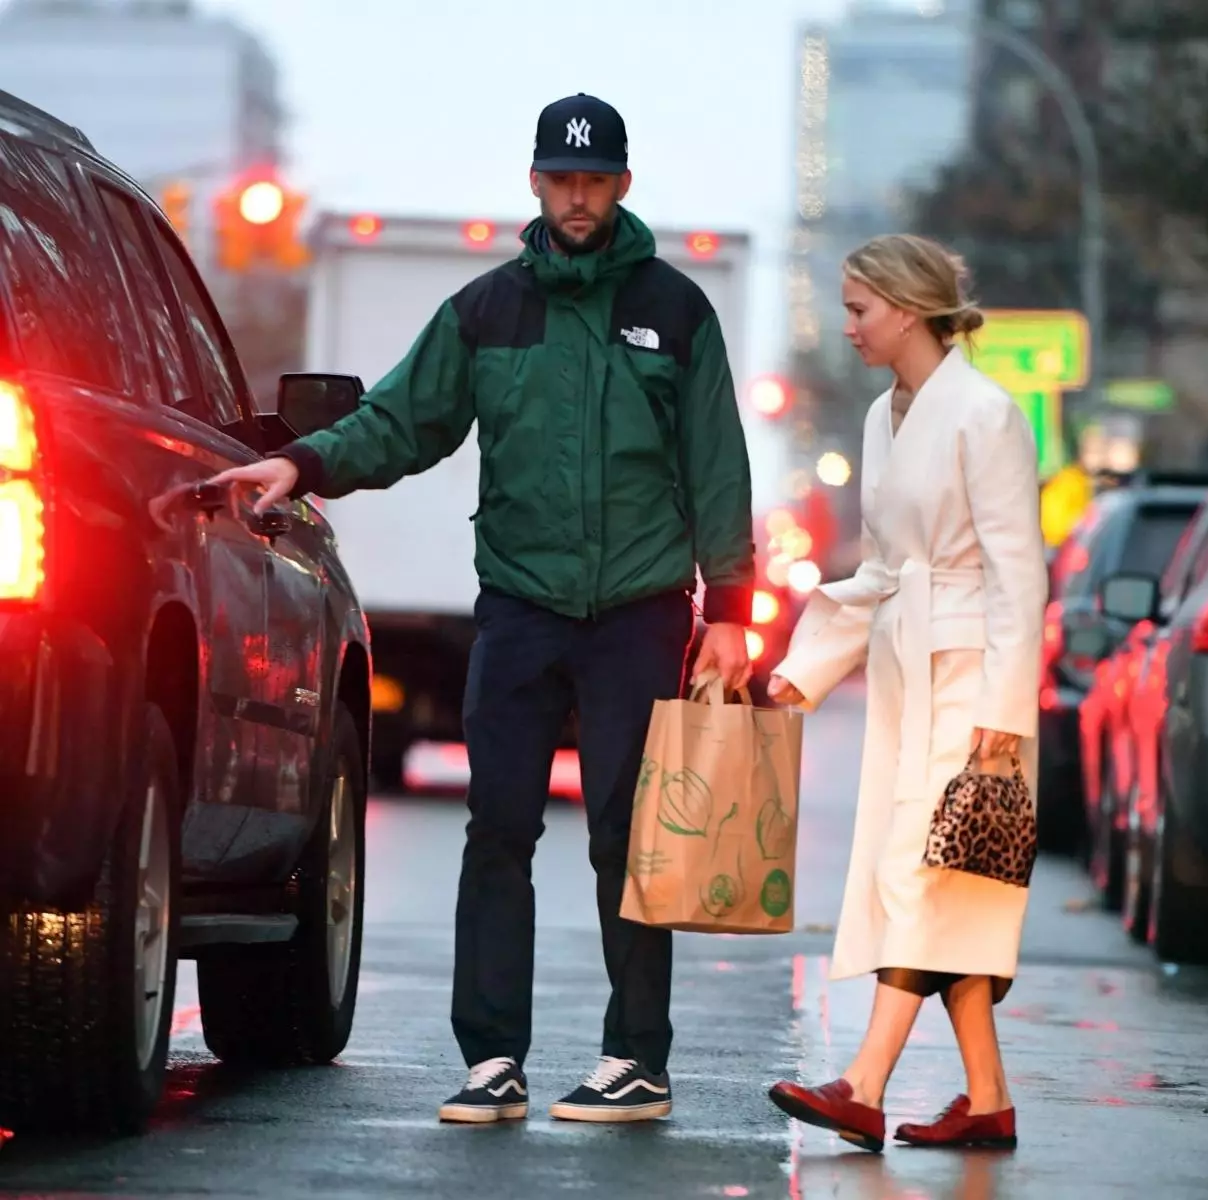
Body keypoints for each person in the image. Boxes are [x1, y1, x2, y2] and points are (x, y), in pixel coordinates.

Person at [208, 93, 755, 1125]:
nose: (578, 196)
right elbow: (402, 422)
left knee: (627, 838)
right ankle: (490, 1059)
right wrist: (304, 461)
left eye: (594, 180)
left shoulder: (677, 311)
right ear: (536, 184)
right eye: (561, 178)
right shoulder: (487, 311)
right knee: (496, 830)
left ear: (622, 185)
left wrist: (728, 604)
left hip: (638, 614)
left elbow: (716, 466)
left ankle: (636, 1059)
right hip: (519, 610)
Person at [765, 234, 1046, 1151]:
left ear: (909, 308)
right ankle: (988, 1099)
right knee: (945, 890)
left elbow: (1019, 577)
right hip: (905, 673)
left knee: (922, 880)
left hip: (969, 686)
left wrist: (1002, 719)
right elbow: (882, 571)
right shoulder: (885, 417)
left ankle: (863, 1084)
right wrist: (798, 673)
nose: (846, 325)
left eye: (858, 308)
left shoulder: (985, 413)